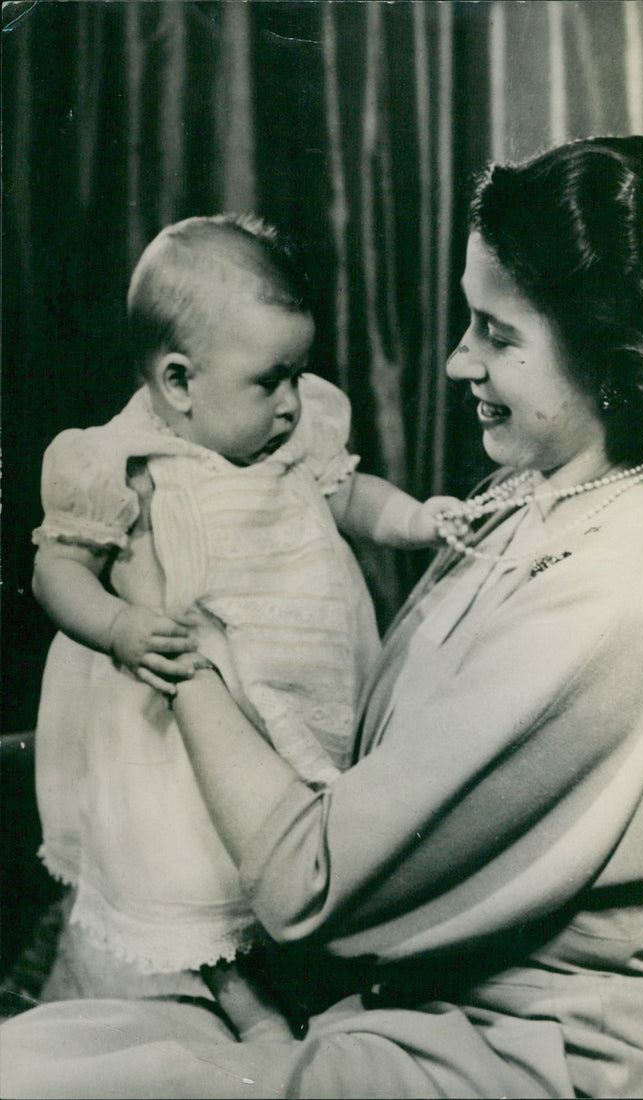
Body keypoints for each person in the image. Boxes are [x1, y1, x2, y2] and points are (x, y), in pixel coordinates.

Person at [0, 135, 643, 1098]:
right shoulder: (535, 500)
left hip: (518, 1066)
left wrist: (168, 631)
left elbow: (306, 883)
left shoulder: (608, 592)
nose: (455, 361)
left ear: (610, 359)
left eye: (496, 333)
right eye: (464, 322)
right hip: (399, 1016)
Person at [28, 214, 455, 994]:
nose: (293, 402)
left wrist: (416, 519)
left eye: (298, 374)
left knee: (289, 839)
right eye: (270, 381)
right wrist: (121, 625)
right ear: (180, 383)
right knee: (195, 856)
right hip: (177, 721)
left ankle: (288, 967)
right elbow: (57, 570)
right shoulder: (122, 463)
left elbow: (348, 495)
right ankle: (225, 986)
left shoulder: (291, 435)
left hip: (303, 674)